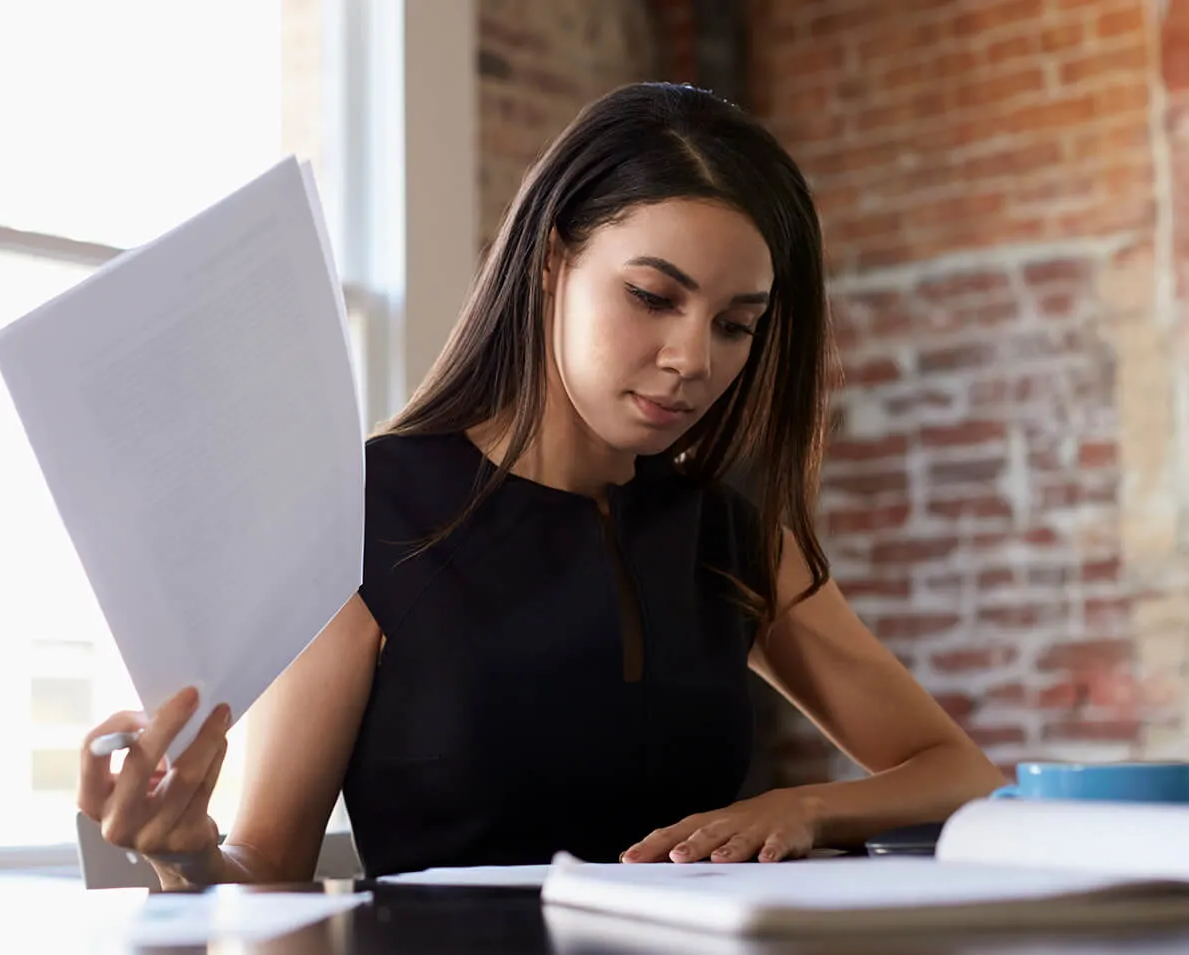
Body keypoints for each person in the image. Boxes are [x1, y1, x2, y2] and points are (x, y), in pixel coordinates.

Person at [76, 82, 1006, 888]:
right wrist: (186, 856)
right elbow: (265, 872)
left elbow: (959, 772)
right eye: (652, 297)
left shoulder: (729, 534)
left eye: (736, 323)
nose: (692, 358)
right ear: (554, 261)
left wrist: (804, 809)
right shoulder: (366, 512)